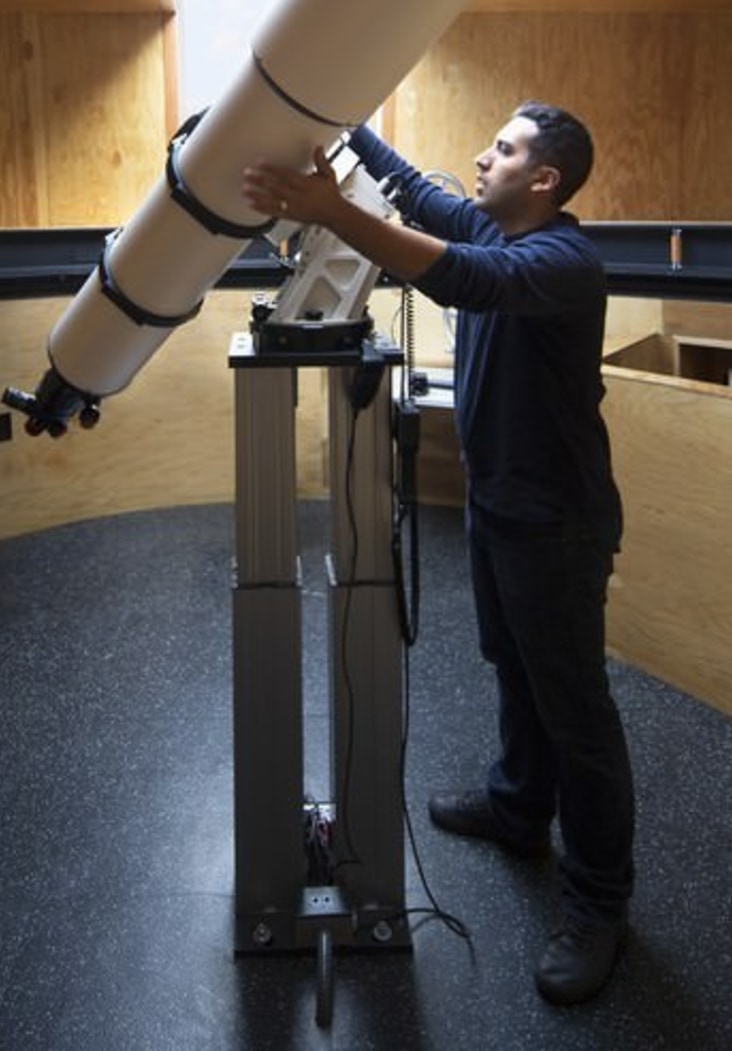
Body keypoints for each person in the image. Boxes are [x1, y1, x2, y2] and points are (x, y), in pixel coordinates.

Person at [240, 102, 634, 1006]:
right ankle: (519, 807)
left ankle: (599, 904)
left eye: (501, 149)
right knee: (514, 668)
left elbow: (461, 277)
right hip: (504, 508)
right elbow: (421, 194)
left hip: (559, 522)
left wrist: (331, 208)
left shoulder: (561, 262)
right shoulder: (499, 225)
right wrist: (344, 128)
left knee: (577, 710)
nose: (479, 157)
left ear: (544, 179)